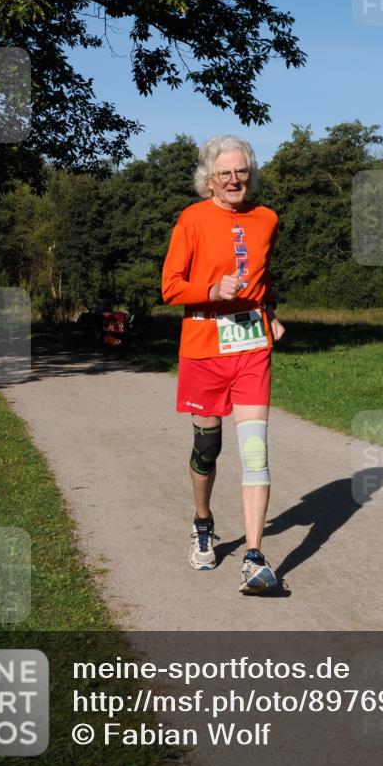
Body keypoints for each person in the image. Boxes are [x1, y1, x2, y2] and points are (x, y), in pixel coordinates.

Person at [161, 135, 286, 594]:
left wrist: (270, 314)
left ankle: (254, 558)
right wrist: (211, 291)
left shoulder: (267, 218)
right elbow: (170, 286)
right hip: (203, 347)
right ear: (209, 179)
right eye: (225, 173)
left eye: (241, 171)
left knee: (255, 453)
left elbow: (263, 276)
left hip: (251, 347)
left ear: (250, 174)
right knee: (207, 448)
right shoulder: (192, 219)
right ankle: (202, 521)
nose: (234, 180)